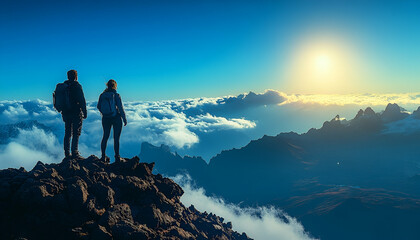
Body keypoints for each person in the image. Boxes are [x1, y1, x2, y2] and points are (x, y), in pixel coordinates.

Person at [97, 79, 127, 162]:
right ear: (115, 86)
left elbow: (98, 106)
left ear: (107, 85)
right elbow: (120, 108)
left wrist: (104, 113)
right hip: (116, 118)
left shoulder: (102, 95)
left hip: (105, 118)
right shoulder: (116, 95)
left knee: (105, 136)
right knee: (116, 138)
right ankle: (117, 157)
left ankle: (103, 156)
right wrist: (124, 119)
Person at [62, 70, 87, 159]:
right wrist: (84, 111)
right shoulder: (77, 86)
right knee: (76, 133)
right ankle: (74, 152)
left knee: (67, 133)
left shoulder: (64, 86)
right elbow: (82, 100)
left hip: (65, 113)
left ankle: (67, 153)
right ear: (76, 76)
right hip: (76, 112)